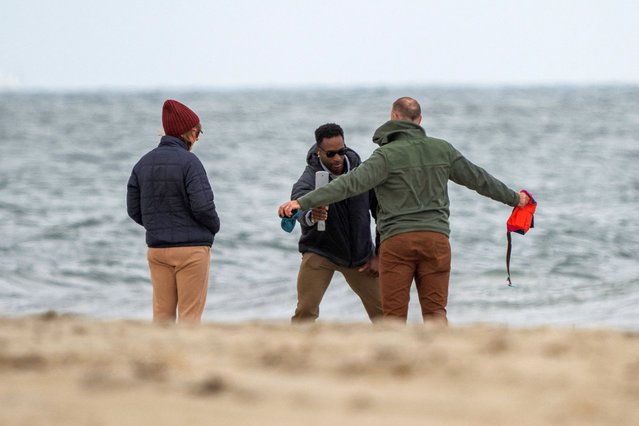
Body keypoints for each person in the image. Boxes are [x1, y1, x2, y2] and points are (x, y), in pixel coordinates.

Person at [279, 97, 530, 325]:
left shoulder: (383, 157)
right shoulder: (443, 149)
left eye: (340, 151)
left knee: (393, 318)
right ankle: (441, 368)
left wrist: (303, 203)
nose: (336, 157)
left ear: (394, 117)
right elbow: (480, 179)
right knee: (435, 313)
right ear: (420, 121)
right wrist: (515, 199)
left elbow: (348, 185)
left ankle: (398, 368)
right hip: (434, 240)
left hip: (393, 245)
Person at [127, 99, 220, 323]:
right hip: (191, 250)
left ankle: (160, 357)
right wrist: (213, 227)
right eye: (198, 133)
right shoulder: (190, 162)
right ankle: (185, 358)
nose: (197, 139)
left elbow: (133, 209)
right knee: (190, 316)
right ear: (190, 133)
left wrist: (157, 225)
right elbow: (203, 206)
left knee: (162, 317)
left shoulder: (143, 163)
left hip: (158, 250)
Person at [289, 123, 382, 322]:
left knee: (386, 315)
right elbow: (299, 205)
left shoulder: (363, 173)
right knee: (305, 312)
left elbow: (381, 213)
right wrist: (313, 215)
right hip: (320, 251)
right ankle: (296, 351)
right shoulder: (308, 180)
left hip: (360, 255)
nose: (338, 158)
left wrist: (379, 254)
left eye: (341, 151)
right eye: (331, 154)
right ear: (318, 151)